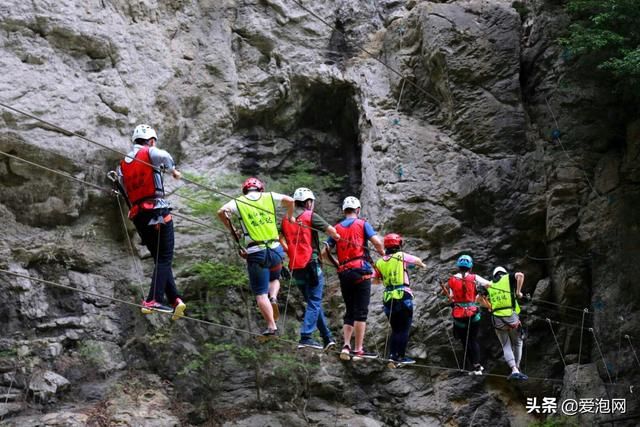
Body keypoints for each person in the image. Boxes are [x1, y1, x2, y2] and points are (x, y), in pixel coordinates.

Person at [118, 124, 186, 320]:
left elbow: (124, 188)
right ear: (151, 140)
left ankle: (175, 299)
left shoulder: (122, 164)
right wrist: (172, 170)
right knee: (165, 256)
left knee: (159, 258)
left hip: (138, 215)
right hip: (157, 210)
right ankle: (152, 300)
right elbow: (165, 156)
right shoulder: (151, 152)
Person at [217, 177, 294, 336]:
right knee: (274, 279)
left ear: (245, 190)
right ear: (260, 189)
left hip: (256, 253)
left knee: (260, 294)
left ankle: (271, 326)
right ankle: (273, 297)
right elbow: (290, 200)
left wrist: (230, 227)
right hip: (275, 250)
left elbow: (221, 212)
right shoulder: (269, 197)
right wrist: (289, 216)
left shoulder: (238, 202)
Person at [321, 196, 385, 361]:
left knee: (350, 310)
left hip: (344, 273)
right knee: (361, 311)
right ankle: (358, 350)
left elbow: (323, 253)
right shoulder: (363, 224)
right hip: (360, 271)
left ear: (344, 211)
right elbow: (377, 243)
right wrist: (384, 255)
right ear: (358, 210)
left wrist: (337, 264)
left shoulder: (336, 228)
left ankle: (346, 346)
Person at [280, 187, 340, 350]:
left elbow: (279, 238)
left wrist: (288, 249)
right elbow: (332, 232)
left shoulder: (286, 219)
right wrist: (337, 237)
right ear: (308, 202)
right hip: (311, 264)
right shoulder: (309, 215)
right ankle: (306, 336)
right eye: (311, 202)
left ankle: (327, 337)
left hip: (295, 267)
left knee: (313, 303)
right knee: (314, 301)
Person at [373, 233, 426, 367]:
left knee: (396, 329)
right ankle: (400, 357)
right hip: (403, 295)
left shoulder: (379, 262)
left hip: (388, 297)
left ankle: (392, 356)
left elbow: (375, 280)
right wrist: (423, 266)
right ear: (399, 245)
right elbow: (418, 261)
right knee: (403, 329)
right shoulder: (401, 256)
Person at [440, 255, 491, 375]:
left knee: (465, 342)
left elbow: (450, 297)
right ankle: (477, 366)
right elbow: (489, 284)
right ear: (471, 267)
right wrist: (480, 292)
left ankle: (472, 367)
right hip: (473, 315)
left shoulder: (452, 280)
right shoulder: (474, 277)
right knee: (473, 340)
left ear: (458, 266)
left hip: (459, 316)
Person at [478, 266, 528, 380]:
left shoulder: (489, 284)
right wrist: (518, 292)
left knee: (505, 345)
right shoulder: (507, 278)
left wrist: (489, 307)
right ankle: (517, 368)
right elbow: (520, 275)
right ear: (503, 273)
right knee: (518, 342)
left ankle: (514, 369)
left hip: (497, 319)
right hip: (511, 316)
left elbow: (478, 299)